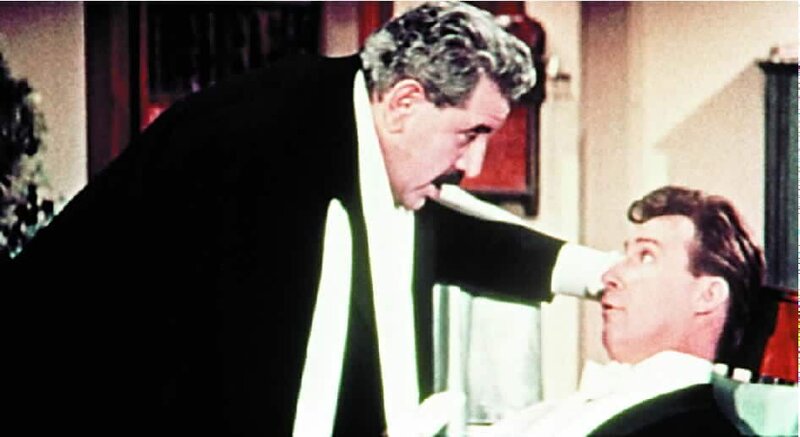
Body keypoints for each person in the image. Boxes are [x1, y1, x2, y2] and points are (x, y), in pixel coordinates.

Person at [7, 2, 613, 436]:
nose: (473, 164)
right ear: (405, 102)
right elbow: (241, 384)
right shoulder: (266, 145)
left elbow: (450, 231)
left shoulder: (352, 127)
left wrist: (597, 274)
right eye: (469, 134)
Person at [488, 185, 767, 436]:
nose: (608, 275)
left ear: (708, 295)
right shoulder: (560, 410)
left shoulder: (700, 429)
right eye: (626, 256)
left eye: (646, 256)